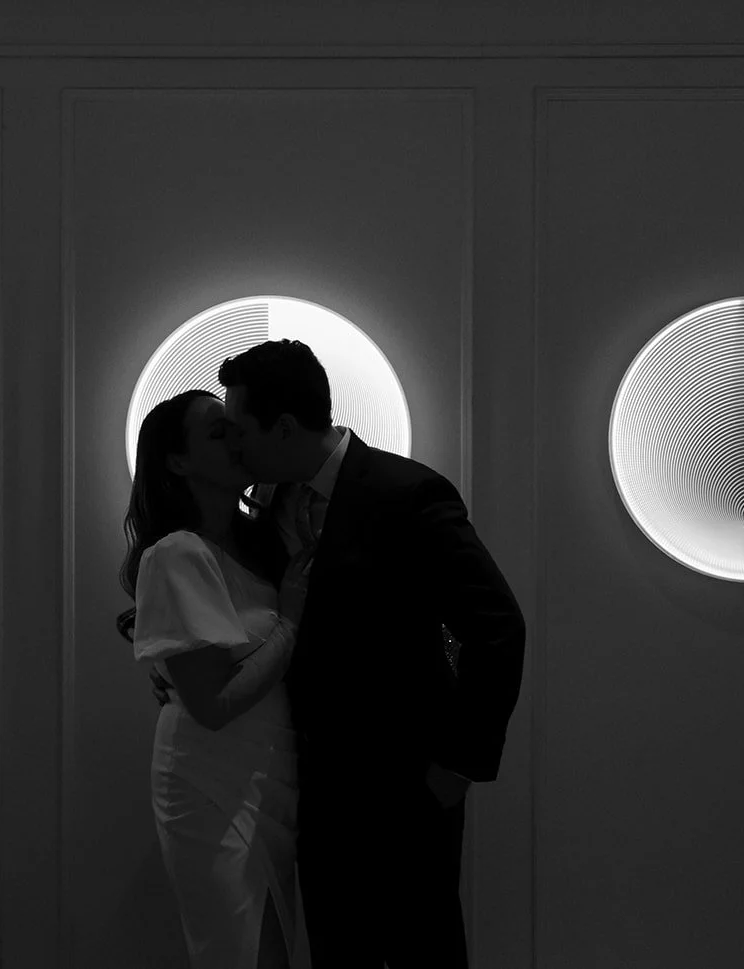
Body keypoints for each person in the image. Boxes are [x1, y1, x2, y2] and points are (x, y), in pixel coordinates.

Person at [146, 339, 526, 968]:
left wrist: (457, 765)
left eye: (239, 429)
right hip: (310, 796)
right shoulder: (265, 511)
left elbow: (497, 627)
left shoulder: (407, 494)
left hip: (407, 789)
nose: (235, 445)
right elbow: (217, 608)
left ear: (285, 428)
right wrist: (175, 671)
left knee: (423, 953)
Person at [115, 386, 316, 969]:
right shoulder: (177, 553)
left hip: (273, 774)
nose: (235, 438)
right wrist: (292, 623)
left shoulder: (261, 545)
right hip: (212, 780)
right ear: (177, 461)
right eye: (215, 432)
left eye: (234, 426)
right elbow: (214, 703)